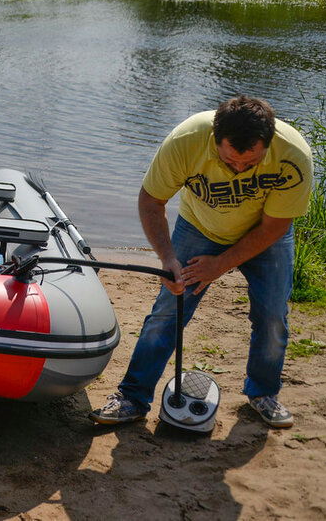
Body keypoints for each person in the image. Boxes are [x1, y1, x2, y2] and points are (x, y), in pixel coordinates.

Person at [90, 96, 313, 429]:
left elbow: (274, 227)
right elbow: (152, 201)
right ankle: (133, 397)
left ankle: (263, 394)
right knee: (169, 310)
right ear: (214, 138)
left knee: (272, 316)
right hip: (200, 226)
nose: (239, 169)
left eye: (250, 163)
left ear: (269, 144)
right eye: (229, 160)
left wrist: (219, 265)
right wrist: (167, 259)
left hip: (265, 234)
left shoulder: (293, 154)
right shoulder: (186, 141)